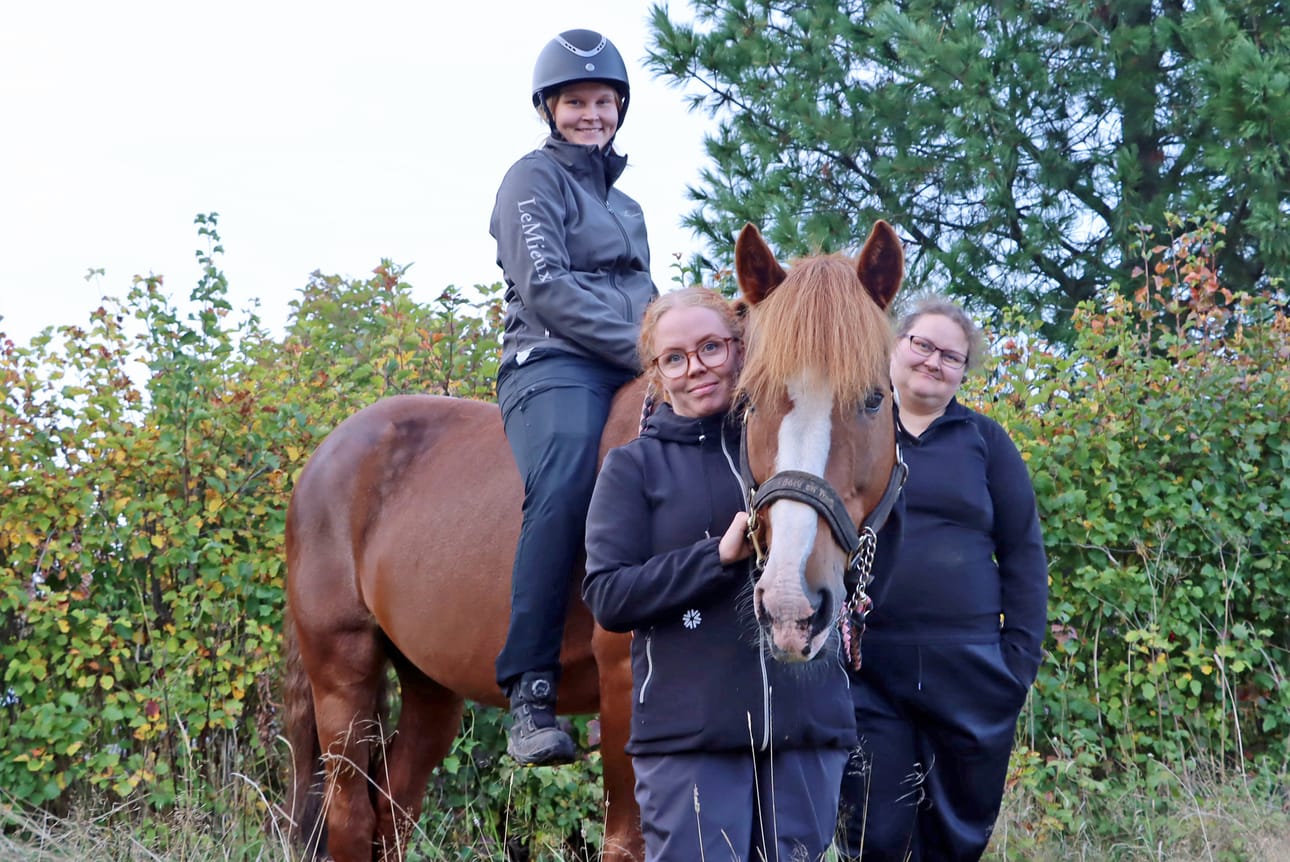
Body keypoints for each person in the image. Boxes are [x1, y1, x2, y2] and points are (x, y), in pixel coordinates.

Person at [583, 286, 856, 862]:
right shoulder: (633, 467)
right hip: (691, 741)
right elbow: (608, 595)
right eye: (674, 358)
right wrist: (714, 558)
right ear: (656, 373)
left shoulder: (790, 446)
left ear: (741, 347)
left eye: (711, 347)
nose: (695, 369)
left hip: (805, 731)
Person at [490, 29, 658, 766]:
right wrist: (645, 352)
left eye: (602, 101)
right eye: (575, 102)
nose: (590, 114)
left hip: (631, 365)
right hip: (551, 362)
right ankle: (531, 689)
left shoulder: (628, 209)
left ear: (619, 108)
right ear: (549, 109)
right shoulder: (530, 180)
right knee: (564, 474)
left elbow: (648, 299)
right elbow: (547, 288)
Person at [837, 297, 1049, 860]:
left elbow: (1024, 552)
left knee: (957, 840)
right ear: (894, 347)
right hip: (870, 669)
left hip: (974, 672)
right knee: (873, 836)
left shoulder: (986, 442)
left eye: (950, 356)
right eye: (922, 345)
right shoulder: (855, 434)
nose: (933, 362)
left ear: (962, 371)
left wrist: (1018, 663)